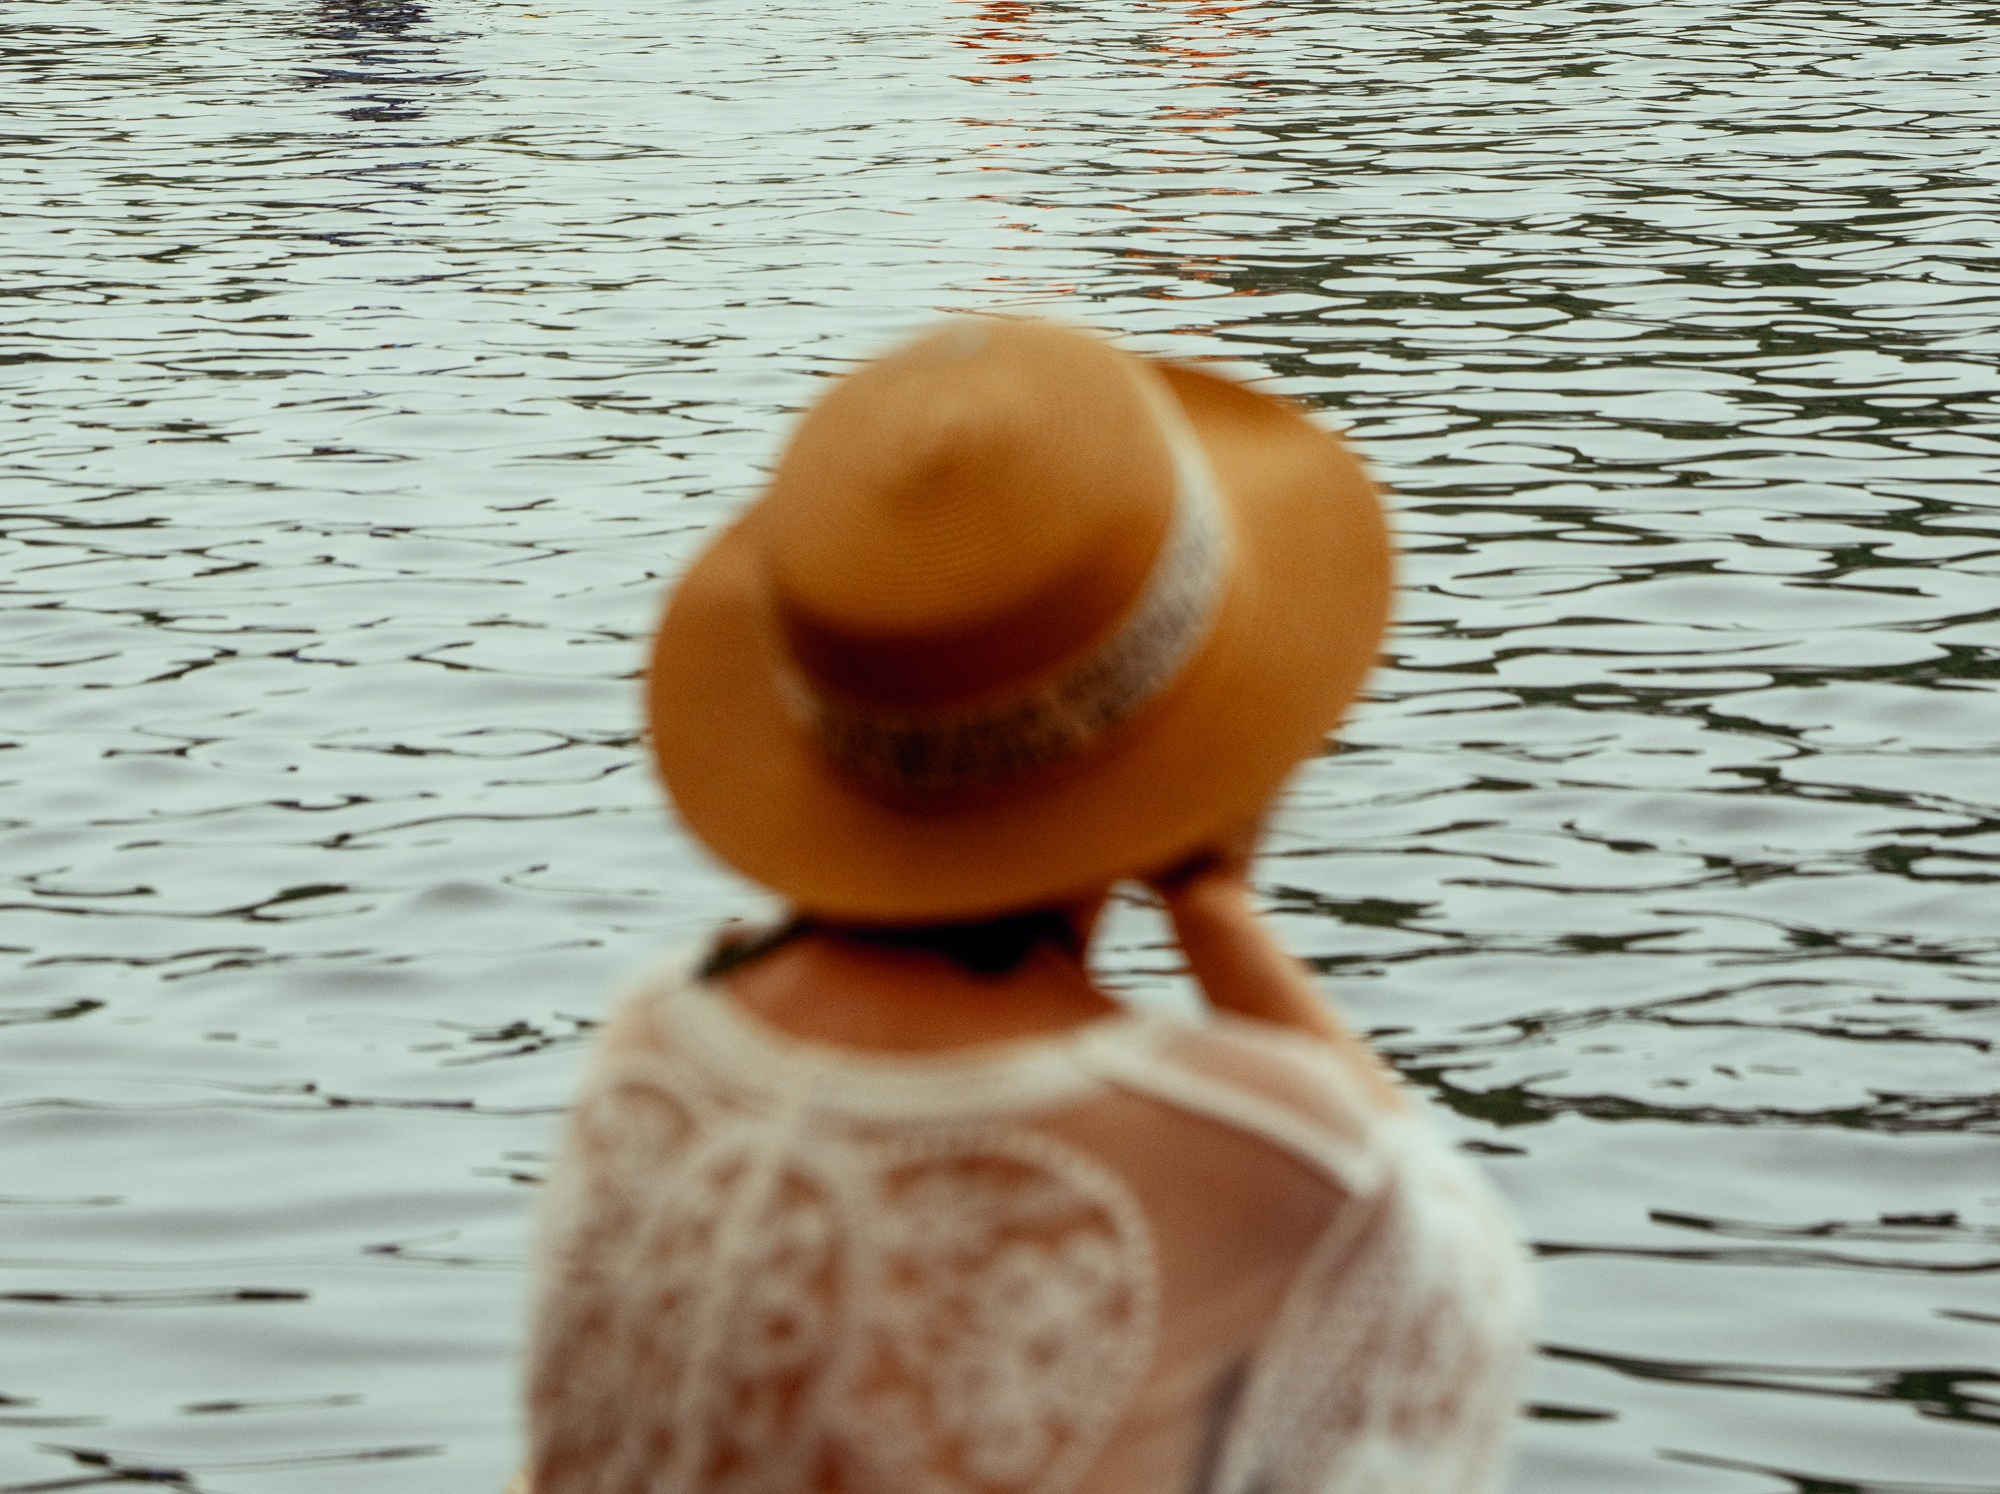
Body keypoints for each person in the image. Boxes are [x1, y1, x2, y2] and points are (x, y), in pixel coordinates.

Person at [520, 316, 1531, 1494]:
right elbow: (1461, 1298)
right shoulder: (1253, 1148)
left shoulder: (653, 1040)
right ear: (1195, 738)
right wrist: (1212, 902)